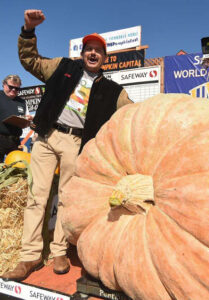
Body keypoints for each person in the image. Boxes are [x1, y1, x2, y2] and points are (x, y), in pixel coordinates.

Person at [2, 9, 133, 281]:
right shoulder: (63, 67)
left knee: (65, 199)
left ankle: (59, 251)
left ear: (105, 58)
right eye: (89, 49)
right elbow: (30, 61)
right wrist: (28, 30)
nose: (93, 54)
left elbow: (133, 114)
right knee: (36, 197)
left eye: (98, 50)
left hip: (77, 143)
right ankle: (29, 257)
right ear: (83, 53)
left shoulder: (112, 90)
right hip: (48, 138)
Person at [0, 75, 32, 161]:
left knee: (17, 168)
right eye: (11, 87)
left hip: (15, 141)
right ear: (4, 84)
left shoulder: (22, 102)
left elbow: (23, 117)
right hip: (1, 138)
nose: (14, 90)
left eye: (17, 88)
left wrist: (26, 120)